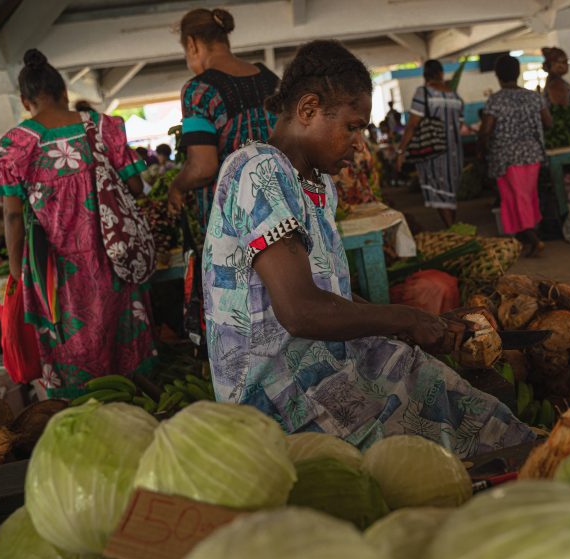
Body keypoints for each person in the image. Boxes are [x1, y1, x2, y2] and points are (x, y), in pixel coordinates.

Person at [204, 40, 534, 455]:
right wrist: (403, 317)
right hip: (274, 396)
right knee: (453, 436)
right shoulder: (258, 169)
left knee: (461, 405)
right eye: (353, 126)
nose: (360, 143)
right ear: (307, 110)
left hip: (322, 363)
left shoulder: (317, 184)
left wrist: (402, 325)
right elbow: (301, 310)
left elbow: (331, 296)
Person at [0, 50, 155, 398]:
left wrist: (19, 274)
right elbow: (136, 187)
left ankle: (86, 429)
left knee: (73, 361)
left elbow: (13, 215)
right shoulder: (105, 127)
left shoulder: (16, 145)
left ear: (24, 100)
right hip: (114, 262)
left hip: (56, 275)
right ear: (64, 92)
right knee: (127, 360)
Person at [168, 8, 280, 228]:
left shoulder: (199, 91)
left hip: (234, 226)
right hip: (283, 212)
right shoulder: (269, 78)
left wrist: (177, 187)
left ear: (192, 44)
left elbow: (203, 168)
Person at [479, 55, 552, 257]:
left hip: (507, 157)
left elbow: (486, 130)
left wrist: (482, 150)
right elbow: (548, 122)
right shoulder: (534, 97)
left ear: (497, 75)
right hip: (532, 154)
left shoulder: (496, 100)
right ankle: (528, 239)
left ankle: (534, 240)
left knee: (515, 199)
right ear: (518, 73)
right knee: (528, 196)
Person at [395, 59, 464, 228]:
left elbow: (412, 125)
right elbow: (460, 124)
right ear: (441, 74)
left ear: (425, 76)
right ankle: (453, 227)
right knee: (449, 193)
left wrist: (401, 151)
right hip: (455, 153)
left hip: (433, 151)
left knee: (439, 192)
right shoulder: (455, 96)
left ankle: (452, 230)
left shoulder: (424, 92)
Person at [540, 47, 570, 113]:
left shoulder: (552, 84)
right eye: (564, 61)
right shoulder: (556, 85)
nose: (567, 65)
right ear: (553, 64)